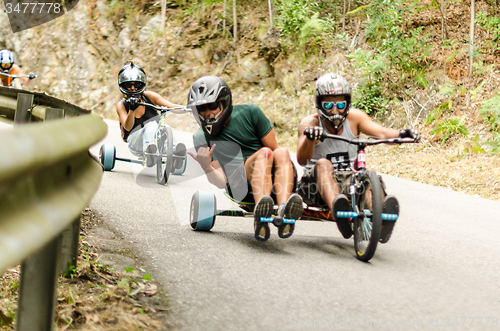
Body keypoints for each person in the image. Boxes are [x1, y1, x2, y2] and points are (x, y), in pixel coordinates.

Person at [296, 73, 421, 243]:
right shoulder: (310, 123)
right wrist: (310, 139)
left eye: (340, 104)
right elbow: (302, 160)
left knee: (368, 175)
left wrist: (402, 134)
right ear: (319, 104)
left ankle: (382, 220)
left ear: (347, 103)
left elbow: (382, 133)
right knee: (323, 163)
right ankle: (338, 212)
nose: (335, 110)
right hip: (314, 186)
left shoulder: (355, 118)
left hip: (347, 182)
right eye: (328, 105)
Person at [186, 76, 303, 241]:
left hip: (273, 180)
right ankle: (261, 212)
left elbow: (275, 152)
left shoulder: (250, 112)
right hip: (240, 187)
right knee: (264, 153)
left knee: (282, 151)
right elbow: (220, 182)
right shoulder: (201, 137)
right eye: (201, 109)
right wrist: (207, 167)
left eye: (211, 106)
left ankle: (284, 210)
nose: (208, 113)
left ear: (224, 102)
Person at [116, 61, 187, 168]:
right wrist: (131, 109)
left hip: (156, 138)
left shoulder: (149, 96)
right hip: (135, 142)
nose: (133, 88)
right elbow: (128, 126)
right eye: (128, 85)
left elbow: (171, 106)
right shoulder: (121, 105)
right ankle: (149, 153)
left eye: (136, 84)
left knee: (166, 127)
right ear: (123, 85)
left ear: (142, 84)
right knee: (151, 125)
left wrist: (191, 108)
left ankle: (175, 155)